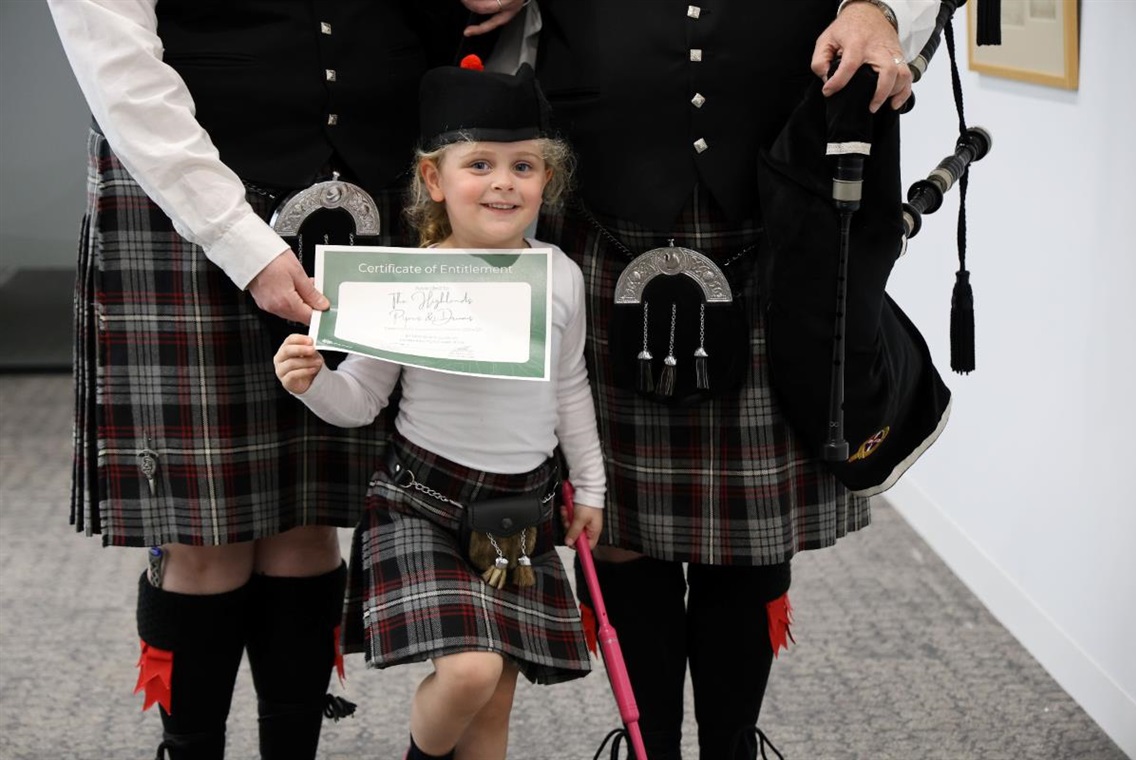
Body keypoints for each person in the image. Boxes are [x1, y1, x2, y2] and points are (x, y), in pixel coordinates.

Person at [45, 1, 530, 758]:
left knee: (310, 521)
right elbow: (122, 72)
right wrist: (240, 242)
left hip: (361, 187)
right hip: (188, 204)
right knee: (204, 534)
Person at [531, 1, 942, 758]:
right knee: (618, 522)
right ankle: (647, 747)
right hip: (602, 211)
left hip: (774, 215)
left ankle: (729, 747)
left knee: (751, 537)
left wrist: (880, 10)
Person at [272, 58, 605, 760]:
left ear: (548, 179)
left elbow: (570, 385)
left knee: (495, 699)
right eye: (479, 164)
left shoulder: (562, 277)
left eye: (524, 166)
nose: (504, 182)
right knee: (470, 669)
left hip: (519, 507)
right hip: (422, 502)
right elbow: (360, 400)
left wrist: (594, 486)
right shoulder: (403, 281)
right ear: (434, 180)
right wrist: (311, 383)